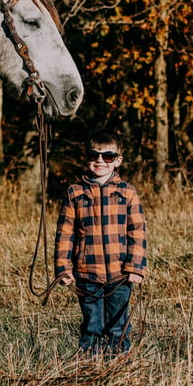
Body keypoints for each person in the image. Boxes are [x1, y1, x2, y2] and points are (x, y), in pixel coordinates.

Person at [54, 128, 147, 357]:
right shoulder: (75, 193)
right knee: (92, 327)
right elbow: (65, 233)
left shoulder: (128, 193)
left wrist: (135, 267)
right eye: (94, 155)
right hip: (87, 273)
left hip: (120, 275)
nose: (100, 161)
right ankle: (89, 367)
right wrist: (63, 269)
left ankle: (120, 368)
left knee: (118, 326)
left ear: (117, 161)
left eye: (107, 156)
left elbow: (138, 232)